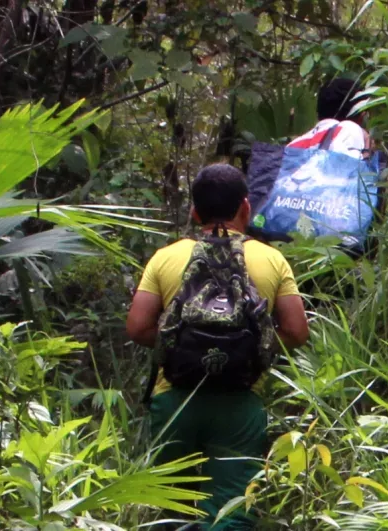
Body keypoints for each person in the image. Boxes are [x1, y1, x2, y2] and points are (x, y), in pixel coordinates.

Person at [126, 163, 310, 530]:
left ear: (195, 212)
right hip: (240, 401)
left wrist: (174, 348)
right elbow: (296, 330)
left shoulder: (166, 257)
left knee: (171, 508)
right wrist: (254, 352)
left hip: (174, 396)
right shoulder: (271, 259)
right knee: (231, 511)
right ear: (246, 207)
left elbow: (137, 326)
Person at [287, 77, 372, 159]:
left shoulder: (294, 144)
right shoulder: (349, 128)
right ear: (360, 113)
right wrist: (367, 150)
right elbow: (348, 169)